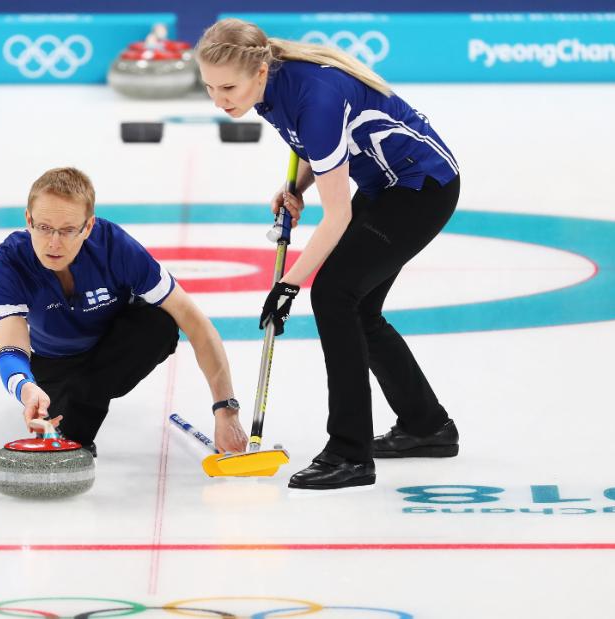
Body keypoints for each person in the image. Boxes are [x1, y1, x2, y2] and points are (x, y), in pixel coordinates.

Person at [196, 18, 462, 489]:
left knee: (335, 294)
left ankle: (349, 453)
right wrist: (294, 187)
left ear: (260, 71)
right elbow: (322, 154)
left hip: (421, 189)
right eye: (210, 87)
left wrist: (287, 285)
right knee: (359, 308)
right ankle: (426, 426)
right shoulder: (268, 89)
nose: (219, 100)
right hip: (384, 186)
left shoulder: (313, 96)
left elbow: (336, 217)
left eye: (228, 87)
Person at [0, 167, 248, 455]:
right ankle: (72, 406)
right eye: (44, 227)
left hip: (112, 349)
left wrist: (226, 410)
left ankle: (82, 406)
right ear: (28, 220)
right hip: (52, 363)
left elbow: (194, 321)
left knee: (159, 323)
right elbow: (10, 349)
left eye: (68, 230)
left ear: (88, 227)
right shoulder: (8, 264)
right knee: (65, 422)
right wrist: (25, 387)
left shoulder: (115, 248)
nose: (53, 242)